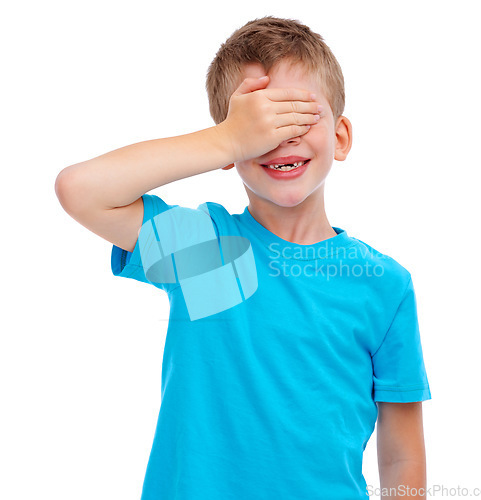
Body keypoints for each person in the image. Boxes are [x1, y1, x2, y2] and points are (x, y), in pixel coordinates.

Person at [55, 15, 431, 500]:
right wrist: (227, 139)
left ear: (339, 137)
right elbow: (80, 190)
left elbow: (402, 455)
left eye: (298, 114)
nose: (281, 135)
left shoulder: (382, 284)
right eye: (260, 121)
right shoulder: (205, 251)